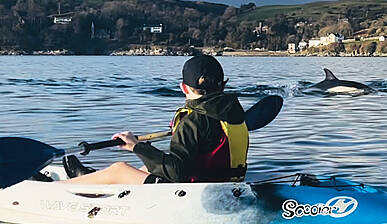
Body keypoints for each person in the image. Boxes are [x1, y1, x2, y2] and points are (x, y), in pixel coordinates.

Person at [59, 55, 249, 184]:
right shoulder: (234, 113)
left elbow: (177, 171)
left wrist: (136, 146)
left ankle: (60, 189)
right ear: (223, 86)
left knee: (119, 168)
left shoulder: (193, 121)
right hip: (229, 184)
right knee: (146, 167)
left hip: (196, 190)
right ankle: (88, 178)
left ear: (184, 88)